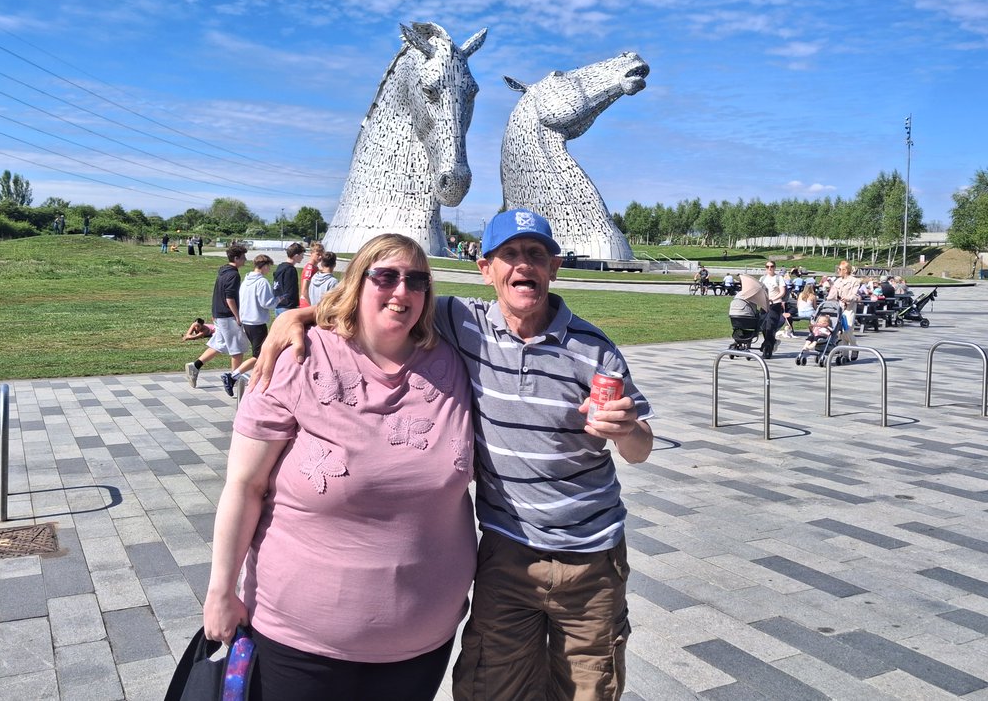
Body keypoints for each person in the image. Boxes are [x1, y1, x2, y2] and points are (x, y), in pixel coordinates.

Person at [253, 209, 654, 701]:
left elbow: (640, 451)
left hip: (591, 558)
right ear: (486, 269)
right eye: (509, 254)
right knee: (488, 687)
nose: (522, 265)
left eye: (535, 254)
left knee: (588, 688)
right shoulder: (464, 322)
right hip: (506, 551)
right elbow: (385, 305)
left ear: (554, 267)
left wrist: (628, 429)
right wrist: (297, 317)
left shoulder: (595, 350)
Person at [203, 234, 475, 701]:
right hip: (302, 642)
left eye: (417, 280)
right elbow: (244, 487)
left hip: (421, 644)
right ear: (356, 283)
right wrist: (220, 590)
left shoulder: (453, 358)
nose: (401, 291)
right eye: (385, 276)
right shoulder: (298, 359)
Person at [185, 244, 249, 389]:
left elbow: (218, 294)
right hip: (227, 317)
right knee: (237, 350)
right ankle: (234, 381)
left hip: (219, 315)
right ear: (236, 258)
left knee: (219, 344)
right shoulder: (233, 274)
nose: (245, 260)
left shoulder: (223, 271)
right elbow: (230, 299)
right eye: (243, 257)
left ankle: (195, 366)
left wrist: (214, 314)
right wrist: (237, 317)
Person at [221, 254, 277, 400]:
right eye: (268, 266)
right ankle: (232, 376)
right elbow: (267, 303)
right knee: (259, 355)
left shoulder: (246, 280)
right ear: (264, 266)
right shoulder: (262, 282)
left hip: (247, 321)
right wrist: (279, 299)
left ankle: (249, 379)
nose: (268, 269)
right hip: (257, 322)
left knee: (259, 354)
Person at [826, 260, 860, 354]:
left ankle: (854, 348)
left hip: (849, 308)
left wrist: (848, 298)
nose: (838, 271)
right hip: (839, 308)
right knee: (839, 332)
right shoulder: (838, 281)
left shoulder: (854, 281)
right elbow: (833, 293)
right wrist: (828, 299)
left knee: (847, 329)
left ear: (846, 270)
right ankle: (844, 354)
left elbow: (855, 294)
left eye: (840, 269)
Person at [272, 243, 305, 316]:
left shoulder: (280, 267)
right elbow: (290, 290)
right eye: (302, 255)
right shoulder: (290, 270)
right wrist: (293, 306)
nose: (302, 257)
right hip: (287, 307)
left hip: (278, 304)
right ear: (296, 256)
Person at [760, 260, 789, 338]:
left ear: (775, 267)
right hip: (764, 304)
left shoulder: (779, 278)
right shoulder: (762, 278)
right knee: (762, 325)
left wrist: (772, 299)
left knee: (770, 324)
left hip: (775, 304)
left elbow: (782, 292)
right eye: (767, 267)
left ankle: (769, 344)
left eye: (771, 266)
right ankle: (769, 341)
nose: (770, 268)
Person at [299, 241, 324, 307]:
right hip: (306, 304)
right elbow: (304, 290)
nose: (320, 257)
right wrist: (310, 304)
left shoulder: (315, 268)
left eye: (322, 254)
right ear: (311, 254)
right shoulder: (309, 268)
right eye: (318, 254)